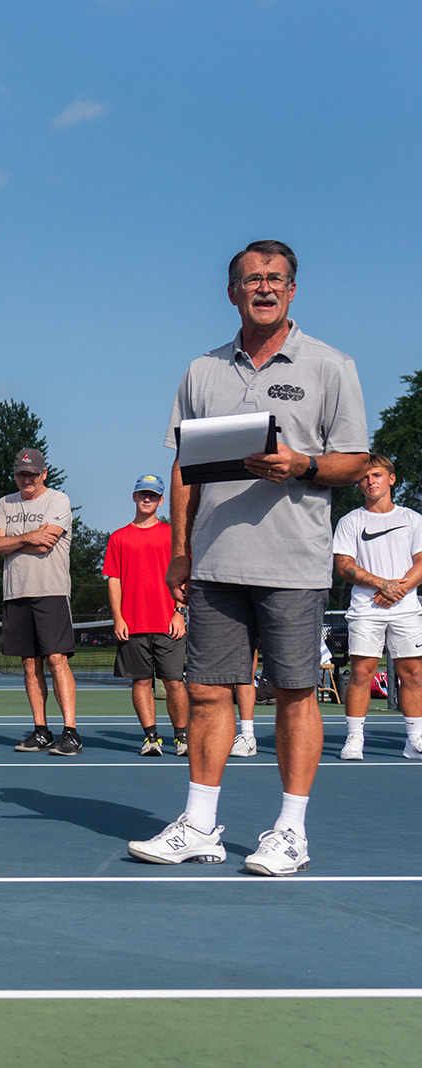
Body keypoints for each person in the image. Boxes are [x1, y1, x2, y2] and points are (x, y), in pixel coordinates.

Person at [129, 239, 368, 876]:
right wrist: (180, 551)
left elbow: (355, 461)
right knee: (206, 693)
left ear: (292, 290)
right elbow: (183, 468)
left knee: (294, 693)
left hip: (293, 561)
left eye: (276, 278)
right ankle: (200, 825)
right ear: (232, 292)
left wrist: (301, 464)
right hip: (212, 562)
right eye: (251, 279)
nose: (263, 288)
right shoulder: (202, 371)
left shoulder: (329, 365)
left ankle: (290, 832)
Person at [0, 447, 80, 756]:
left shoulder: (58, 500)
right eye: (21, 474)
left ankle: (71, 732)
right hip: (15, 592)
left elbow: (46, 544)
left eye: (33, 473)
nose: (27, 479)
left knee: (56, 659)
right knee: (29, 663)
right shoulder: (4, 503)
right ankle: (41, 731)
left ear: (44, 473)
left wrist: (10, 543)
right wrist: (29, 537)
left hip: (50, 591)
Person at [332, 454, 422, 760]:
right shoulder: (350, 521)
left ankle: (415, 740)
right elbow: (344, 566)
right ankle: (354, 739)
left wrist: (397, 588)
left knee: (413, 674)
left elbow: (421, 562)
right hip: (365, 609)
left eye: (377, 475)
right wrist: (382, 584)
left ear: (391, 479)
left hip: (406, 608)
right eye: (365, 477)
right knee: (362, 673)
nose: (371, 482)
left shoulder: (412, 519)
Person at [104, 473, 190, 757]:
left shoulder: (171, 536)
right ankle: (151, 738)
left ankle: (181, 738)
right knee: (140, 682)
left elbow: (185, 576)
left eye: (153, 495)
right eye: (143, 493)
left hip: (169, 624)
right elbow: (113, 579)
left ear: (161, 500)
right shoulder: (118, 538)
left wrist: (180, 612)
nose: (147, 498)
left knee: (174, 683)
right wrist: (118, 617)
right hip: (133, 624)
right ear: (134, 496)